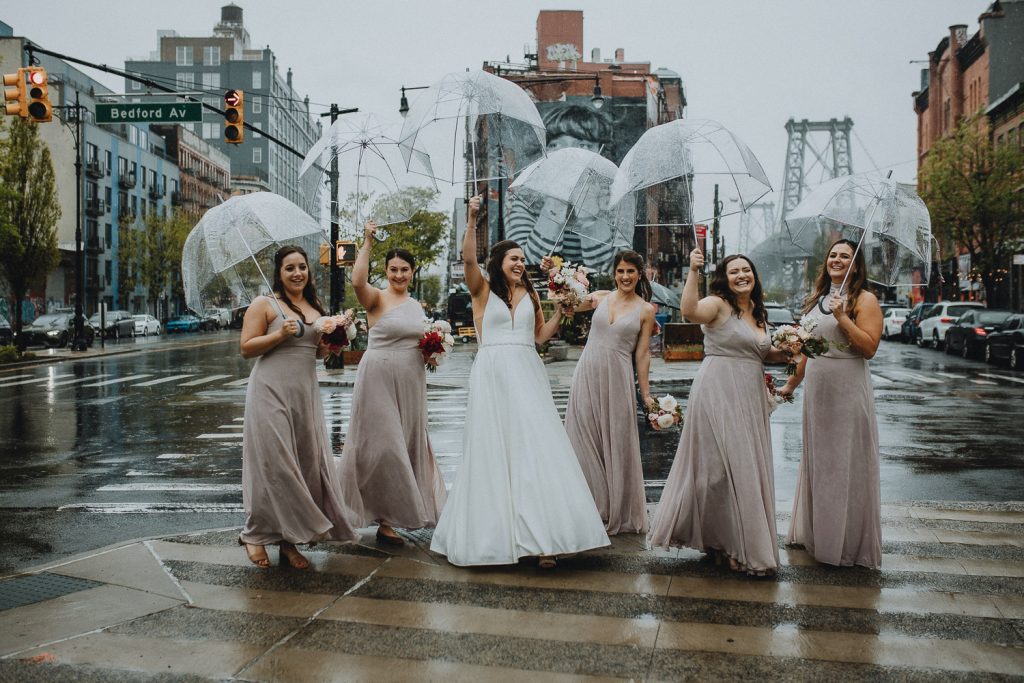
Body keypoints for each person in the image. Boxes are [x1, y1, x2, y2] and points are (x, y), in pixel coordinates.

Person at [430, 196, 610, 567]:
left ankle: (545, 539)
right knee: (494, 449)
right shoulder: (481, 290)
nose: (520, 263)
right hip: (492, 371)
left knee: (536, 445)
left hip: (527, 370)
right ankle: (498, 534)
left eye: (522, 260)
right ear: (498, 263)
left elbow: (541, 337)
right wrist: (471, 219)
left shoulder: (531, 294)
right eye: (514, 258)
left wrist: (561, 312)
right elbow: (467, 259)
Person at [649, 249, 791, 576]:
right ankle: (722, 542)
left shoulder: (757, 312)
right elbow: (689, 311)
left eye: (747, 270)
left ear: (754, 276)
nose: (741, 275)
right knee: (716, 471)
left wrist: (796, 349)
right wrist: (694, 271)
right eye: (734, 271)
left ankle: (729, 543)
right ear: (724, 278)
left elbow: (763, 352)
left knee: (741, 471)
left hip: (749, 396)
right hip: (717, 391)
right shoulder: (718, 303)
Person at [238, 246, 358, 570]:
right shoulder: (264, 304)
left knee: (303, 468)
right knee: (276, 467)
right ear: (278, 272)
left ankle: (289, 543)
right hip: (269, 392)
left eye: (302, 267)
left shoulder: (314, 307)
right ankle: (254, 533)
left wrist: (335, 337)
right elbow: (246, 348)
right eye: (289, 268)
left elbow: (317, 354)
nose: (297, 273)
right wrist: (279, 333)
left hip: (304, 395)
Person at [335, 221, 447, 545]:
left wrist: (433, 349)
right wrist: (367, 241)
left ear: (413, 272)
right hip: (378, 379)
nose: (398, 275)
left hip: (411, 382)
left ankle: (389, 519)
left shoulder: (416, 306)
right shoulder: (376, 299)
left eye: (404, 270)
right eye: (393, 269)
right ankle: (377, 515)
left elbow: (423, 341)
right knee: (384, 447)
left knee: (406, 444)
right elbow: (357, 279)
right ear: (385, 271)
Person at [778, 238, 883, 569]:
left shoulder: (864, 299)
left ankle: (844, 543)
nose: (837, 260)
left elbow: (868, 349)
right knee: (820, 462)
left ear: (856, 264)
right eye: (833, 255)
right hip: (818, 390)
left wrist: (843, 317)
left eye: (845, 256)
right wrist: (790, 384)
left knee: (844, 462)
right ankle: (816, 534)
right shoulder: (816, 300)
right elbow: (808, 350)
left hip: (847, 388)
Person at [555, 250, 657, 534]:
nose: (625, 277)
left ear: (640, 275)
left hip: (618, 377)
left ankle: (613, 507)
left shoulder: (646, 310)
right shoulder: (600, 297)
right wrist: (560, 278)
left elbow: (643, 355)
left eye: (631, 272)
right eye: (621, 271)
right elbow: (568, 304)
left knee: (616, 440)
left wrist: (646, 394)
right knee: (582, 436)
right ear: (614, 273)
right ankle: (586, 504)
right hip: (587, 372)